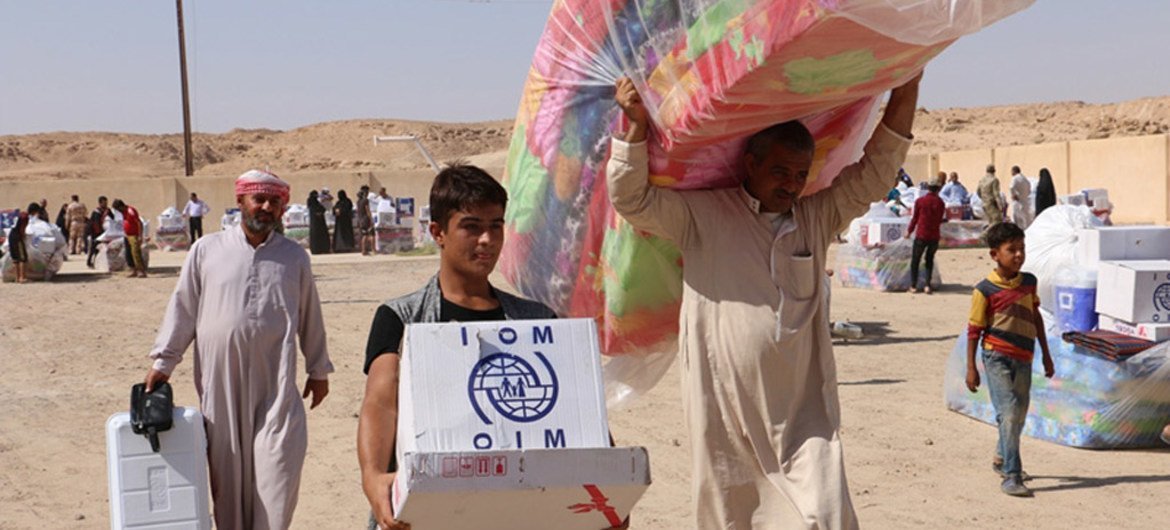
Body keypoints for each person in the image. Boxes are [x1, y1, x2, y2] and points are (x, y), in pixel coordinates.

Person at [608, 72, 921, 528]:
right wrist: (635, 126)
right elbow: (632, 199)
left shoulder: (815, 217)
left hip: (801, 410)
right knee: (730, 512)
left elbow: (876, 172)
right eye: (780, 171)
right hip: (724, 407)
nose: (791, 184)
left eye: (799, 174)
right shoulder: (705, 216)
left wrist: (908, 84)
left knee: (826, 512)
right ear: (750, 163)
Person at [358, 165, 559, 530]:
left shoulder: (538, 322)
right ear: (438, 232)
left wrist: (605, 484)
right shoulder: (401, 319)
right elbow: (381, 402)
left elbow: (571, 407)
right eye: (471, 226)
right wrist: (373, 477)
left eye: (496, 225)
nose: (487, 239)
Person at [143, 169, 333, 529]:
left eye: (274, 201)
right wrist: (165, 360)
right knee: (226, 480)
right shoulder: (206, 250)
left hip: (275, 381)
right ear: (240, 201)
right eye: (258, 199)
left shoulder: (294, 257)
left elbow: (310, 314)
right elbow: (184, 307)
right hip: (221, 383)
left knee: (277, 472)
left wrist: (318, 369)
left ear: (282, 208)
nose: (265, 207)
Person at [965, 222, 1054, 498]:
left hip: (1024, 357)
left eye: (1022, 249)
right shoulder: (984, 290)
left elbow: (1036, 317)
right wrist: (971, 368)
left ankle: (1002, 456)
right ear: (994, 254)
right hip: (996, 356)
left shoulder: (1029, 282)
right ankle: (1012, 475)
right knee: (1010, 411)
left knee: (1019, 412)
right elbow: (974, 330)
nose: (1019, 255)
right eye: (1011, 250)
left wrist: (1047, 356)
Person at [906, 179, 946, 294]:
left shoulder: (920, 201)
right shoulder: (940, 203)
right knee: (929, 260)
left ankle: (913, 286)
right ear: (938, 189)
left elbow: (915, 218)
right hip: (934, 236)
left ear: (928, 188)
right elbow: (940, 219)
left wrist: (909, 231)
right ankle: (927, 285)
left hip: (921, 235)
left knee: (916, 260)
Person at [112, 199, 147, 278]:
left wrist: (140, 236)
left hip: (134, 235)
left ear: (121, 207)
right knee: (129, 254)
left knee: (136, 253)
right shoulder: (123, 213)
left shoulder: (131, 211)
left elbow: (139, 223)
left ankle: (141, 271)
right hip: (127, 235)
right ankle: (133, 270)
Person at [86, 196, 114, 269]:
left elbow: (112, 218)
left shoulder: (108, 211)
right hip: (96, 233)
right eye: (104, 203)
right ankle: (89, 262)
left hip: (105, 232)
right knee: (94, 248)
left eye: (106, 202)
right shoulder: (96, 212)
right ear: (100, 203)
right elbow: (95, 223)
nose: (106, 204)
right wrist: (99, 233)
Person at [8, 208, 31, 283]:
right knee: (22, 257)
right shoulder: (25, 217)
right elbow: (22, 228)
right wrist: (23, 236)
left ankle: (17, 278)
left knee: (15, 258)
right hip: (17, 237)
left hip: (11, 236)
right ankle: (22, 277)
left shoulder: (18, 216)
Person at [307, 190, 331, 254]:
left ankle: (321, 249)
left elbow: (322, 209)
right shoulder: (311, 202)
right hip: (316, 222)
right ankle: (317, 249)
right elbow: (315, 210)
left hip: (318, 222)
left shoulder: (316, 202)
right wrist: (318, 213)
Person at [357, 185, 375, 256]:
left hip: (360, 219)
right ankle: (372, 249)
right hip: (366, 219)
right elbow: (368, 210)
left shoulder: (358, 201)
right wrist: (371, 219)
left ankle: (363, 250)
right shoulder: (365, 200)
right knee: (370, 234)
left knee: (364, 235)